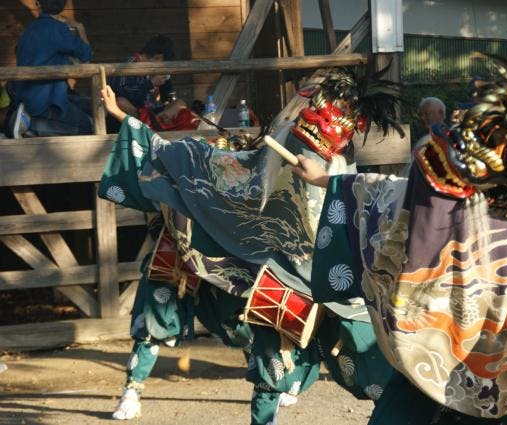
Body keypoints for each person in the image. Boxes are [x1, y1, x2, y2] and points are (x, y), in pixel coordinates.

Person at [292, 37, 507, 425]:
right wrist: (327, 179)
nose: (419, 195)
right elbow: (383, 191)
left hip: (503, 387)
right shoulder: (426, 204)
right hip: (432, 365)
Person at [99, 68, 401, 424]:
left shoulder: (343, 167)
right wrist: (126, 119)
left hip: (310, 258)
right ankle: (134, 386)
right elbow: (217, 164)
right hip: (260, 244)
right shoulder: (298, 143)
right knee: (166, 293)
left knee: (330, 329)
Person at [8, 0, 93, 138]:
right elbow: (86, 57)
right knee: (86, 126)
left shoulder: (29, 31)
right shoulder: (58, 29)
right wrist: (80, 28)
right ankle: (31, 125)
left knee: (87, 105)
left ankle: (28, 120)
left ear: (38, 4)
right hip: (47, 101)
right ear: (63, 6)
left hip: (26, 96)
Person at [108, 35, 197, 132]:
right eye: (163, 64)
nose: (164, 67)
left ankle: (156, 124)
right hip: (134, 112)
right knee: (121, 101)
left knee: (180, 103)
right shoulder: (129, 64)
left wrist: (166, 92)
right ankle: (148, 128)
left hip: (151, 112)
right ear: (157, 57)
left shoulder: (156, 70)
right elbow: (123, 93)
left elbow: (167, 98)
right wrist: (150, 83)